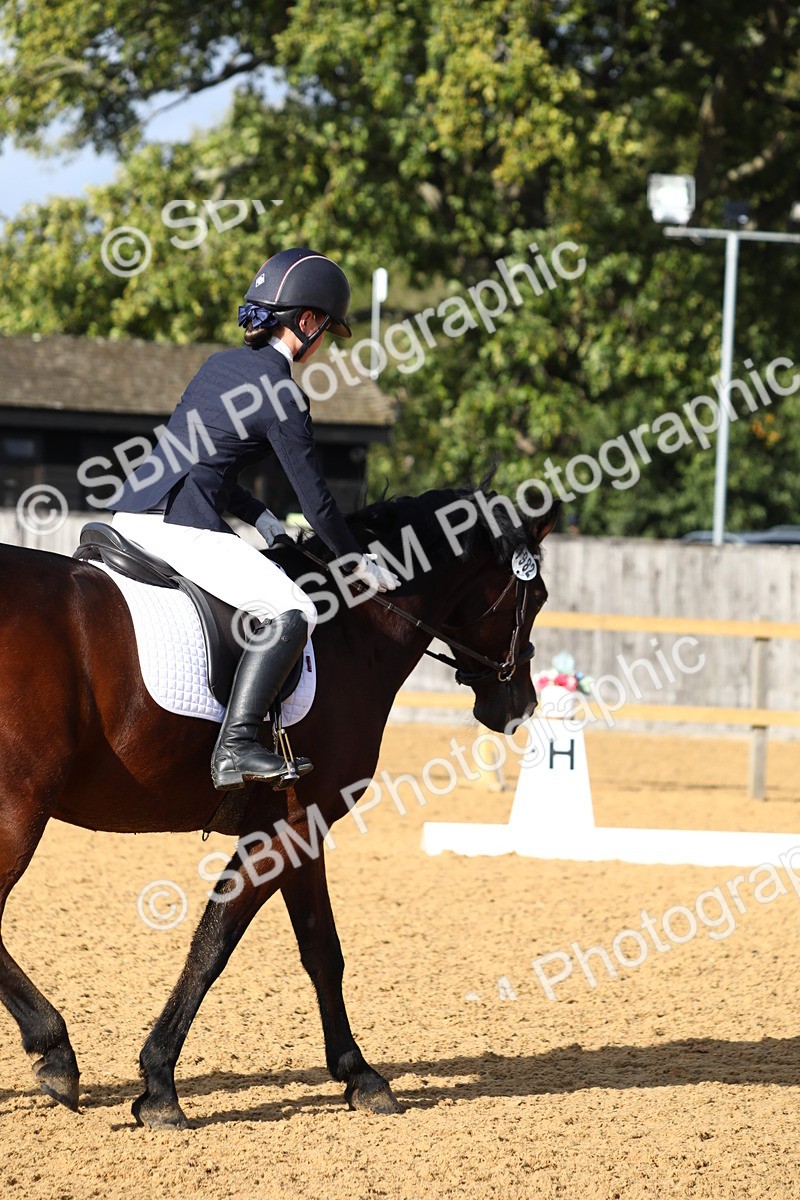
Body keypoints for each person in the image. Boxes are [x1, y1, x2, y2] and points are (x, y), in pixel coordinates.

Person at [108, 247, 401, 791]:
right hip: (182, 528)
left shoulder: (216, 366)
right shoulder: (285, 394)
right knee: (295, 609)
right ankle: (236, 746)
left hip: (131, 514)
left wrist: (258, 515)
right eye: (325, 331)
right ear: (308, 322)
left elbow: (198, 458)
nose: (322, 345)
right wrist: (356, 560)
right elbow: (317, 502)